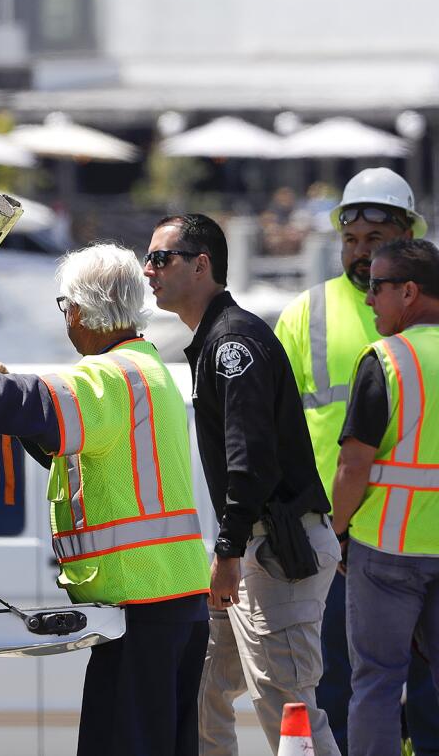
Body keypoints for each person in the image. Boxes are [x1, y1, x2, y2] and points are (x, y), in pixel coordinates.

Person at [0, 242, 211, 756]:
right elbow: (59, 433)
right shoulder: (144, 365)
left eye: (65, 308)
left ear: (78, 310)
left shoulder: (110, 375)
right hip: (169, 602)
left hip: (145, 604)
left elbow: (35, 401)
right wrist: (0, 387)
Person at [143, 213, 341, 756]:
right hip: (254, 548)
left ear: (201, 265)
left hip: (275, 551)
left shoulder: (232, 343)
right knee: (207, 694)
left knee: (289, 706)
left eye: (162, 258)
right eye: (149, 258)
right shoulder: (219, 339)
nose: (149, 270)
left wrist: (227, 551)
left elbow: (248, 461)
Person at [275, 167, 437, 755]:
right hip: (332, 539)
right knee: (343, 682)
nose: (361, 254)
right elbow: (277, 423)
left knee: (411, 686)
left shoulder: (416, 319)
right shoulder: (306, 313)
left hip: (383, 537)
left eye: (375, 241)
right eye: (351, 241)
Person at [330, 239, 439, 756]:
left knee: (376, 683)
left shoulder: (386, 359)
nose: (369, 299)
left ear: (410, 291)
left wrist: (336, 530)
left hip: (385, 552)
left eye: (377, 288)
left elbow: (354, 465)